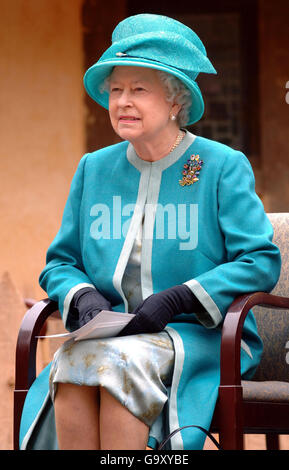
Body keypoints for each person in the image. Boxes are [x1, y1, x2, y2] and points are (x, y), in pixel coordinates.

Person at [19, 13, 281, 450]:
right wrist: (81, 295)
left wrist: (180, 296)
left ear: (177, 100)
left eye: (139, 89)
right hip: (109, 338)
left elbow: (259, 261)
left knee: (119, 363)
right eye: (116, 89)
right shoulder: (94, 168)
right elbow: (61, 263)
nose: (122, 101)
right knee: (74, 361)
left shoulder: (220, 166)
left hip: (203, 339)